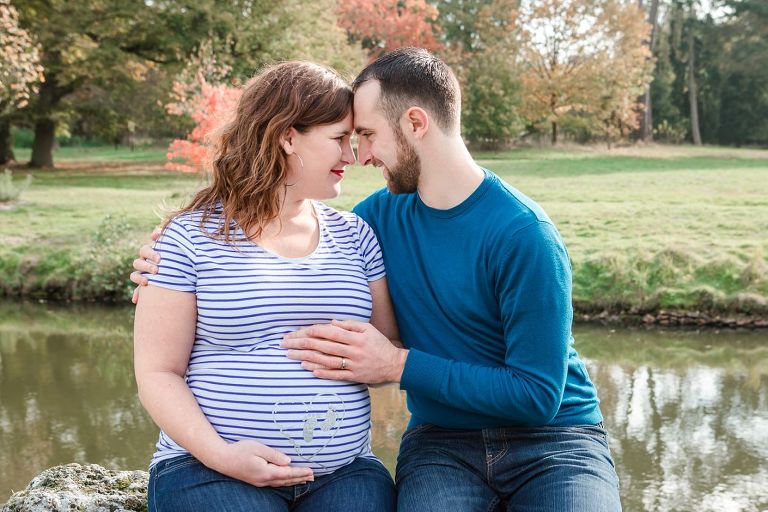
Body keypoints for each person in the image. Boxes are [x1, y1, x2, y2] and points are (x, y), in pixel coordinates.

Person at [133, 48, 621, 511]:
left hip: (555, 440)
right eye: (347, 138)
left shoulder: (523, 234)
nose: (359, 155)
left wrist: (396, 364)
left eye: (365, 134)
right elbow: (275, 236)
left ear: (414, 123)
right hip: (444, 441)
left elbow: (537, 395)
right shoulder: (376, 220)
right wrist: (165, 258)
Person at [132, 61, 397, 512]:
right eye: (339, 139)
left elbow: (388, 343)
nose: (352, 157)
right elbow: (157, 373)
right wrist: (222, 455)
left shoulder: (357, 235)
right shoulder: (189, 237)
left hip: (344, 473)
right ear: (288, 136)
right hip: (206, 469)